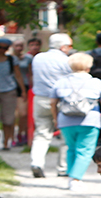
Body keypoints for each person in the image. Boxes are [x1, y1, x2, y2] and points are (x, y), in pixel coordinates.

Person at [51, 53, 101, 190]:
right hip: (90, 119)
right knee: (85, 150)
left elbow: (52, 102)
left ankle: (71, 175)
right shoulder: (96, 82)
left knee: (71, 148)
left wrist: (55, 118)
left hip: (66, 120)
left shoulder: (61, 82)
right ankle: (76, 179)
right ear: (89, 66)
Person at [29, 33, 73, 178]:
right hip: (62, 100)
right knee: (66, 135)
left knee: (41, 133)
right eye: (69, 46)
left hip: (40, 98)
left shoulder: (38, 58)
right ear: (63, 47)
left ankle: (37, 163)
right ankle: (63, 168)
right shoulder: (67, 61)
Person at [12, 39, 34, 146]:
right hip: (10, 86)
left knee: (23, 114)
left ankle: (22, 134)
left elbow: (31, 73)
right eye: (17, 46)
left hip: (24, 87)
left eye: (21, 46)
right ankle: (12, 136)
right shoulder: (9, 59)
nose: (19, 48)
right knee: (13, 115)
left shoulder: (28, 58)